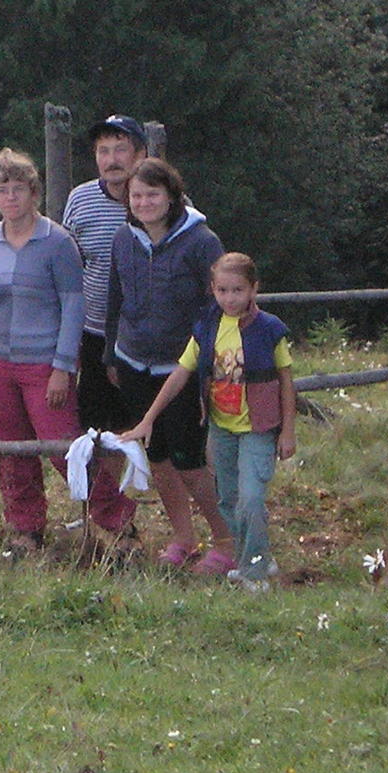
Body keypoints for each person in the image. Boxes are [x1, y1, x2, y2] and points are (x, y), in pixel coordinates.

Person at [121, 251, 296, 585]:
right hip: (222, 427)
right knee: (228, 500)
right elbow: (180, 373)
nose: (230, 299)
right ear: (213, 290)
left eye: (238, 290)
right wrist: (149, 418)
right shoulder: (207, 328)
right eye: (222, 291)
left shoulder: (269, 330)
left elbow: (286, 382)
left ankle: (255, 573)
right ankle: (254, 556)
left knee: (251, 498)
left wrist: (287, 431)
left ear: (254, 289)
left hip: (258, 427)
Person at [100, 156, 234, 570]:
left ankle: (227, 541)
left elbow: (218, 307)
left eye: (152, 194)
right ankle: (183, 538)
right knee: (158, 458)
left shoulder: (201, 242)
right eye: (136, 196)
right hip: (134, 362)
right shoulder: (123, 239)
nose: (144, 203)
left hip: (183, 369)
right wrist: (110, 353)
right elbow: (115, 297)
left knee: (190, 462)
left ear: (171, 196)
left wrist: (208, 364)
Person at [0, 148, 84, 549]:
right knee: (10, 448)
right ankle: (26, 526)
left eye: (18, 189)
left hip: (42, 361)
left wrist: (63, 366)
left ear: (33, 193)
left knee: (62, 446)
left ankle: (114, 520)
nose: (11, 197)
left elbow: (73, 305)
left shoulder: (57, 242)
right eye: (2, 190)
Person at [60, 116, 148, 537]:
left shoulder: (157, 198)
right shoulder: (80, 200)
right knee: (99, 429)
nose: (111, 160)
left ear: (140, 154)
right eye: (103, 151)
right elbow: (69, 262)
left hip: (146, 339)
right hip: (94, 333)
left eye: (120, 149)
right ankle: (111, 509)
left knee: (150, 426)